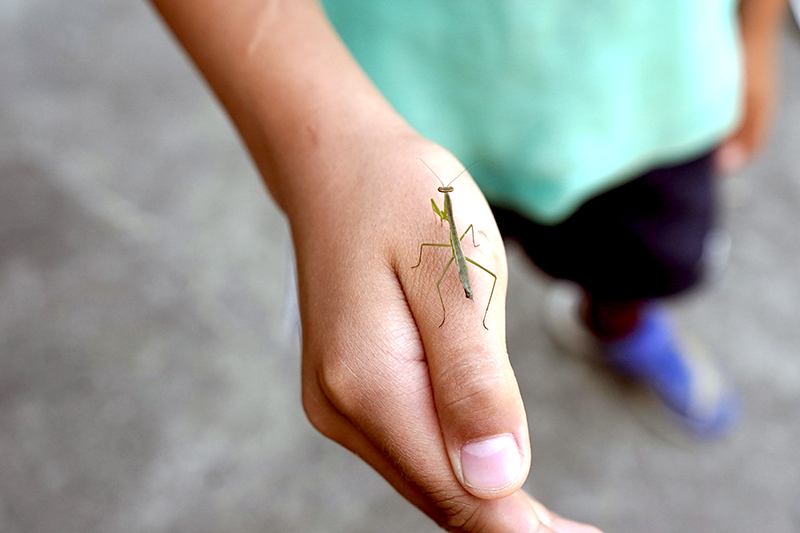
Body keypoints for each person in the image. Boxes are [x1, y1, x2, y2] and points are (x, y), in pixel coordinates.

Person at [150, 1, 785, 532]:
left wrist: (756, 36)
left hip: (659, 101)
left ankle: (618, 324)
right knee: (457, 284)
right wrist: (323, 144)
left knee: (642, 260)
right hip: (401, 107)